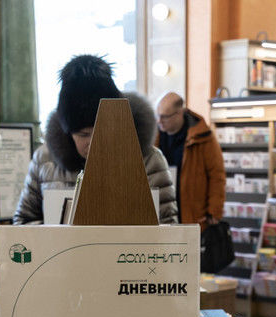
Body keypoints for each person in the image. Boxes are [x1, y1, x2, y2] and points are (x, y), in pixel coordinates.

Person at [12, 54, 177, 225]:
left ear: (116, 124)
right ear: (68, 133)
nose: (93, 141)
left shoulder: (148, 160)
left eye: (100, 130)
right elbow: (22, 222)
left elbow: (170, 229)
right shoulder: (44, 160)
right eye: (83, 135)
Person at [154, 91, 224, 226]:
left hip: (192, 214)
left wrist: (214, 211)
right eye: (157, 115)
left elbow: (217, 175)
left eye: (164, 117)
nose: (159, 121)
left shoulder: (203, 137)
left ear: (179, 113)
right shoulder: (153, 137)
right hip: (161, 212)